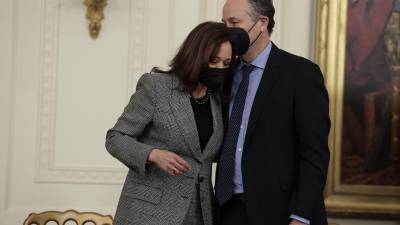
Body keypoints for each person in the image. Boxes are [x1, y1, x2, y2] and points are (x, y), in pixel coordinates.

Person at [105, 21, 234, 225]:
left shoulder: (218, 100)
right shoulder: (157, 87)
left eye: (226, 64)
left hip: (200, 214)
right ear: (196, 55)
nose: (220, 69)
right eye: (214, 61)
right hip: (148, 213)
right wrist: (152, 154)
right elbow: (115, 138)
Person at [214, 0, 331, 225]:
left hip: (282, 212)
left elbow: (315, 153)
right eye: (224, 23)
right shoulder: (224, 73)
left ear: (262, 23)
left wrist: (300, 216)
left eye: (234, 22)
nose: (227, 31)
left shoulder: (301, 74)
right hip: (227, 210)